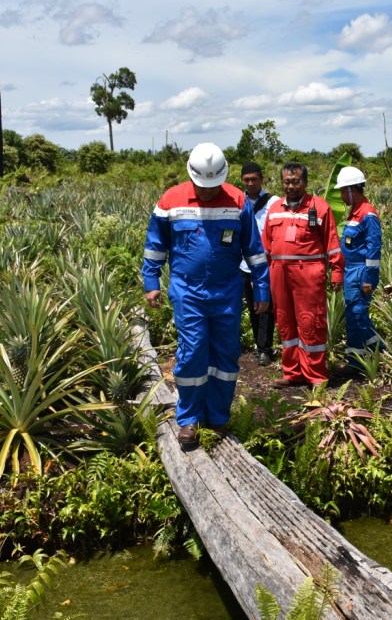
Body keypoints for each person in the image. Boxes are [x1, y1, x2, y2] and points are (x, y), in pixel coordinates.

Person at [142, 143, 270, 449]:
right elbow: (156, 244)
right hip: (188, 290)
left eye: (214, 186)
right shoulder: (171, 201)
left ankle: (217, 415)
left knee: (225, 354)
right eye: (203, 186)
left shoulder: (238, 201)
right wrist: (151, 281)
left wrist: (262, 287)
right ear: (191, 176)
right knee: (193, 350)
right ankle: (189, 417)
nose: (209, 191)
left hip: (227, 290)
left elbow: (254, 250)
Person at [264, 162, 344, 388]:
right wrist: (262, 278)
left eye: (295, 181)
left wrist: (337, 272)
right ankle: (292, 372)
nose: (290, 186)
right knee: (285, 321)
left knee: (311, 322)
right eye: (286, 182)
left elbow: (332, 243)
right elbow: (266, 246)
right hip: (279, 273)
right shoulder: (275, 208)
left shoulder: (319, 207)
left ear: (305, 182)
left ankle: (315, 375)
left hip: (308, 272)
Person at [334, 166, 382, 367]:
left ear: (352, 190)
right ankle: (379, 352)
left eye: (343, 191)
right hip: (350, 271)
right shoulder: (355, 213)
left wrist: (368, 278)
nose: (341, 196)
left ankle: (356, 362)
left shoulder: (367, 214)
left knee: (356, 315)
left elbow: (374, 249)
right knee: (356, 316)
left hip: (361, 272)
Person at [239, 162, 279, 366]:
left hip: (265, 265)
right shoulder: (238, 201)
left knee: (265, 307)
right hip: (243, 265)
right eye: (246, 180)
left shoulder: (274, 203)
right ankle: (258, 344)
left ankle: (265, 349)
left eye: (254, 179)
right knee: (251, 306)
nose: (250, 183)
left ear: (261, 179)